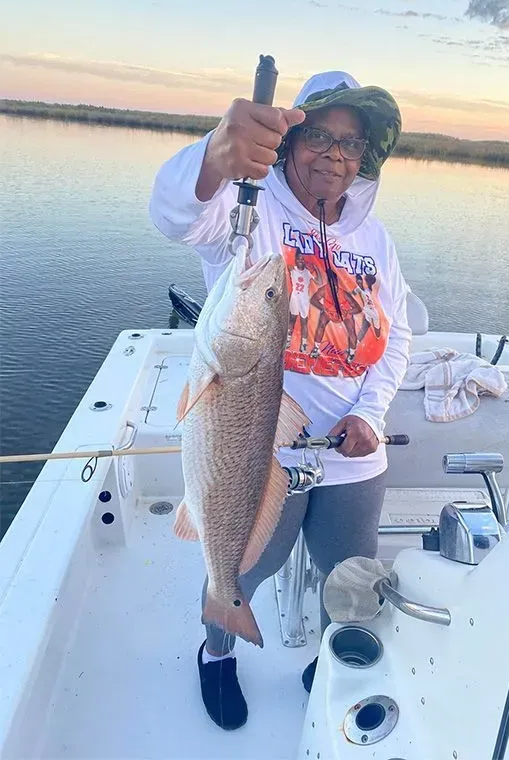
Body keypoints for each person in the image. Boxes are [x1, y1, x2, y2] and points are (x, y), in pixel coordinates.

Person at [149, 70, 412, 730]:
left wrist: (370, 413)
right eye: (318, 133)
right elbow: (178, 215)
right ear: (289, 142)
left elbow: (398, 332)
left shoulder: (377, 242)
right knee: (243, 565)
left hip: (351, 456)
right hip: (260, 452)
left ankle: (327, 663)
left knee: (351, 580)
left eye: (351, 143)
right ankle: (217, 651)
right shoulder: (251, 215)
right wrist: (215, 156)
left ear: (366, 158)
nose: (334, 152)